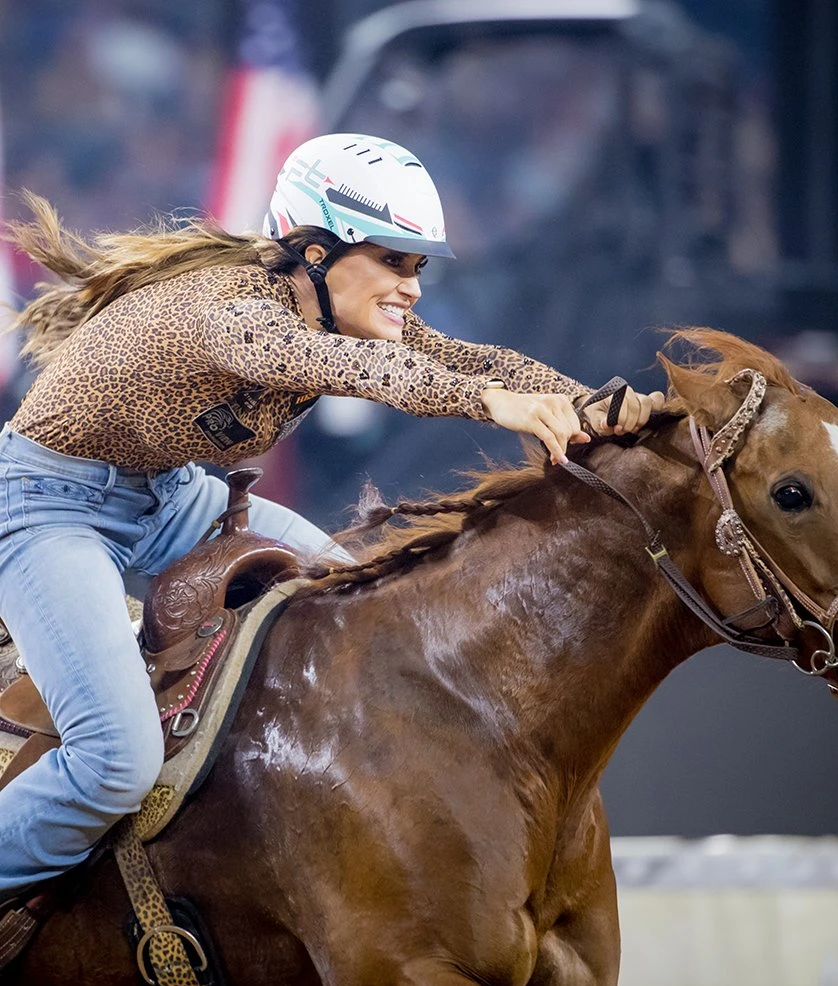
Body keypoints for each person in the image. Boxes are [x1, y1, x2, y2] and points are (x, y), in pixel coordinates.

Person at [0, 133, 664, 904]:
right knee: (114, 760)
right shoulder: (231, 313)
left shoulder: (321, 308)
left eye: (416, 267)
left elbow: (470, 359)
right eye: (392, 261)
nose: (411, 288)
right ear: (315, 253)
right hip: (44, 507)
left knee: (367, 622)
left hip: (171, 498)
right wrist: (490, 404)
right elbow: (361, 370)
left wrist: (591, 403)